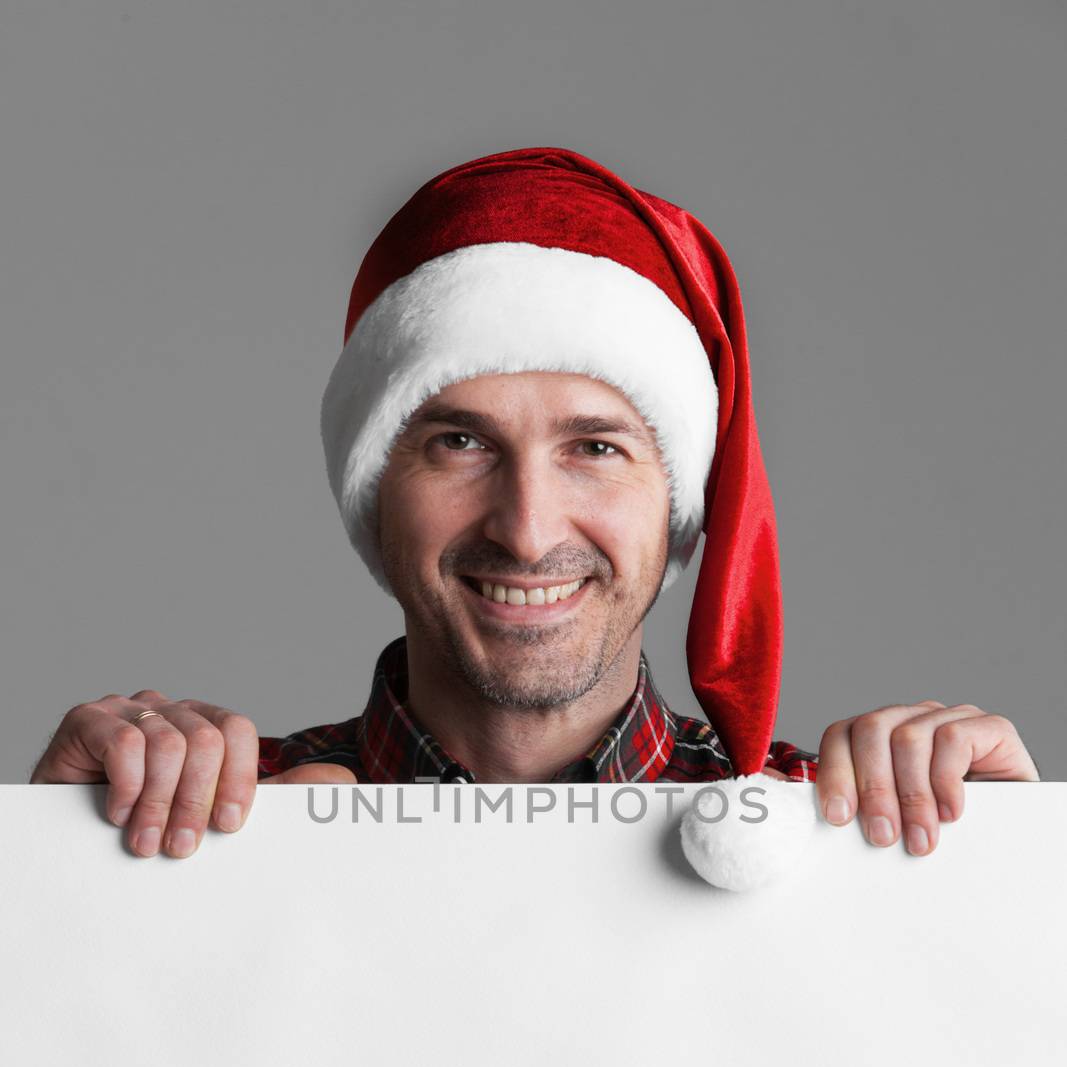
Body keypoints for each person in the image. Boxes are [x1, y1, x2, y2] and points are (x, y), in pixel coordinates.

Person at [30, 147, 1040, 863]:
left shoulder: (838, 835)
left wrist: (1018, 891)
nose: (526, 527)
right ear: (373, 488)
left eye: (594, 448)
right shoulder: (206, 828)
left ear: (679, 503)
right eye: (458, 442)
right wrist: (47, 883)